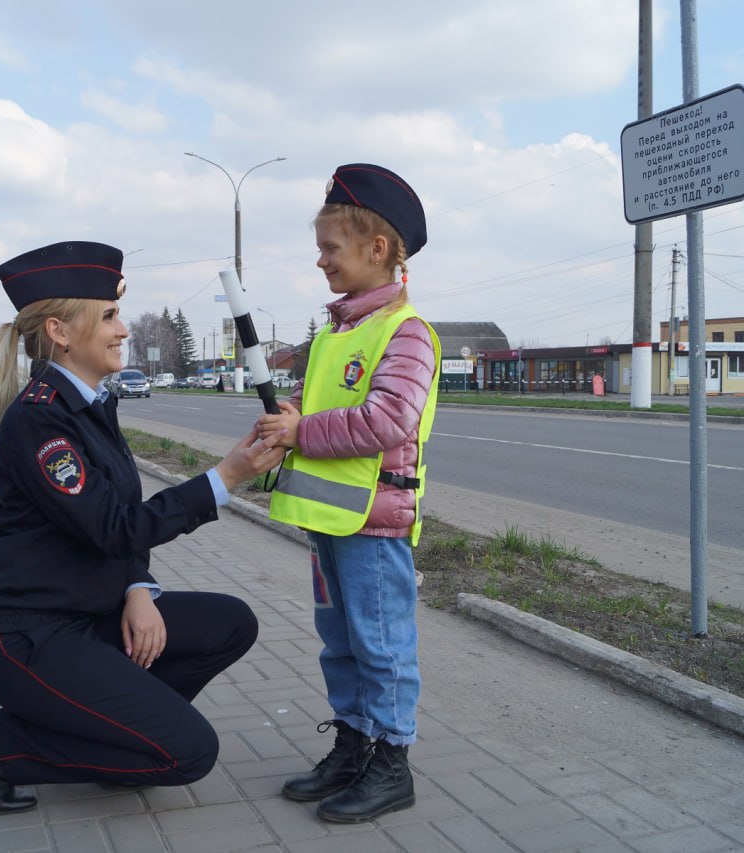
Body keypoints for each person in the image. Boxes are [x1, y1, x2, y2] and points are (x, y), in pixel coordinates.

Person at [0, 241, 287, 816]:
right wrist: (227, 476)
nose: (123, 329)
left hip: (83, 613)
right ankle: (0, 746)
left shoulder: (89, 406)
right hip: (27, 636)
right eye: (108, 316)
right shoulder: (39, 420)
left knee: (231, 623)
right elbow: (115, 526)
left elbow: (106, 524)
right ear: (60, 331)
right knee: (189, 755)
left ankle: (117, 739)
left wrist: (136, 589)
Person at [256, 164, 440, 823]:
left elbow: (388, 420)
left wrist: (302, 427)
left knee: (381, 641)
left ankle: (391, 762)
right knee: (340, 639)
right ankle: (353, 741)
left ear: (377, 249)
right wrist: (289, 414)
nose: (320, 260)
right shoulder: (336, 333)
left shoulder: (407, 333)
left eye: (330, 248)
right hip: (329, 522)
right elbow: (325, 403)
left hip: (374, 523)